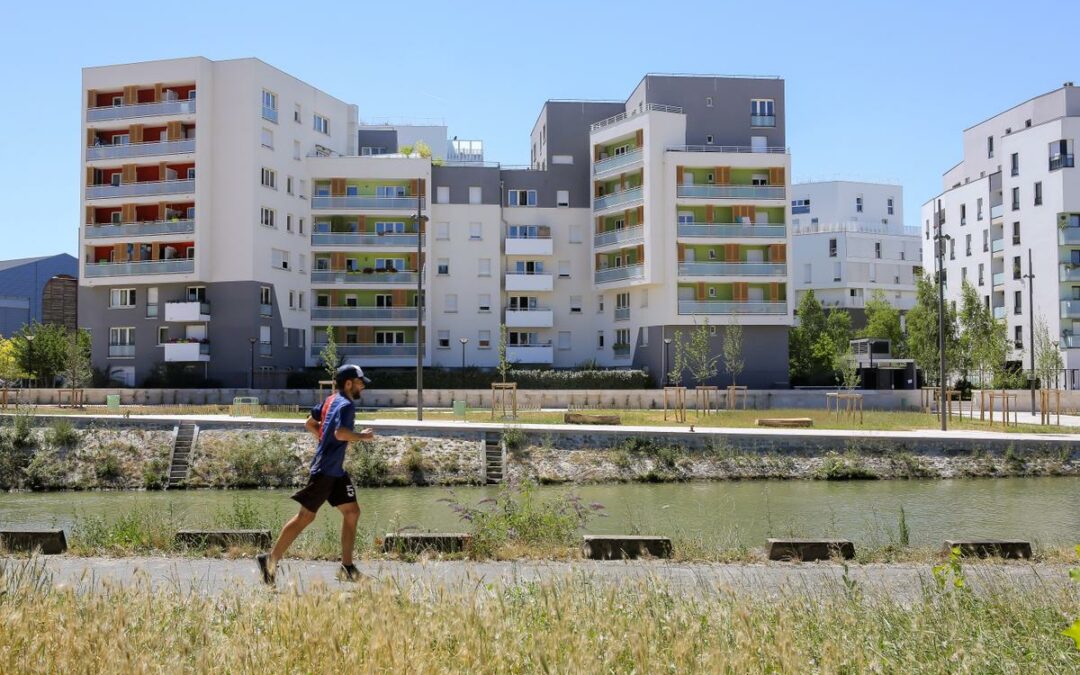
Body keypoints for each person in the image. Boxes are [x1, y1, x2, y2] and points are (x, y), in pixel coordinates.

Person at [257, 364, 374, 584]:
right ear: (349, 383)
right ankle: (269, 562)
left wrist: (324, 438)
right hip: (325, 471)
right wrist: (362, 437)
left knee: (352, 513)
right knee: (305, 517)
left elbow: (310, 423)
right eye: (360, 383)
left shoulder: (330, 400)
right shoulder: (347, 405)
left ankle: (347, 568)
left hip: (335, 471)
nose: (362, 388)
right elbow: (341, 433)